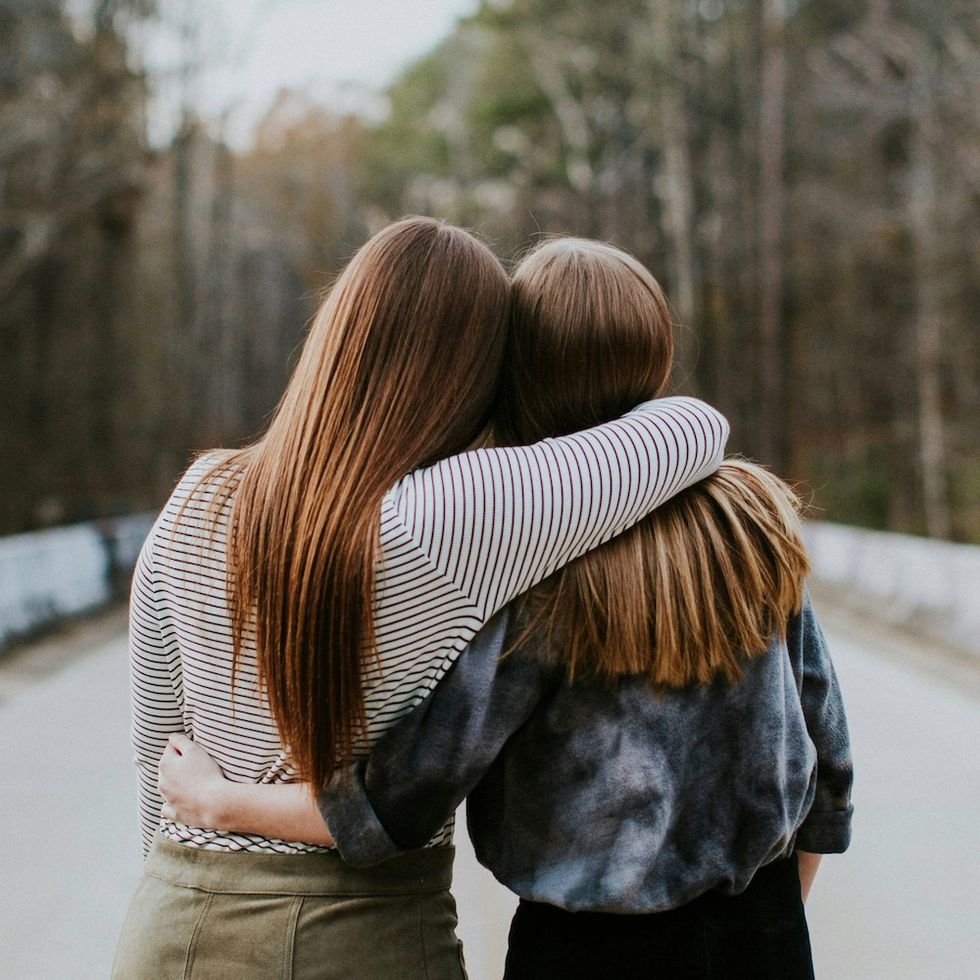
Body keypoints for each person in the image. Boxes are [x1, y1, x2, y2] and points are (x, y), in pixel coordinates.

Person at [159, 238, 852, 980]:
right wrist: (774, 921)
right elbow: (829, 758)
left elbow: (395, 802)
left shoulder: (537, 560)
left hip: (583, 954)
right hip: (767, 931)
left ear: (516, 371)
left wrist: (218, 802)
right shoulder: (754, 521)